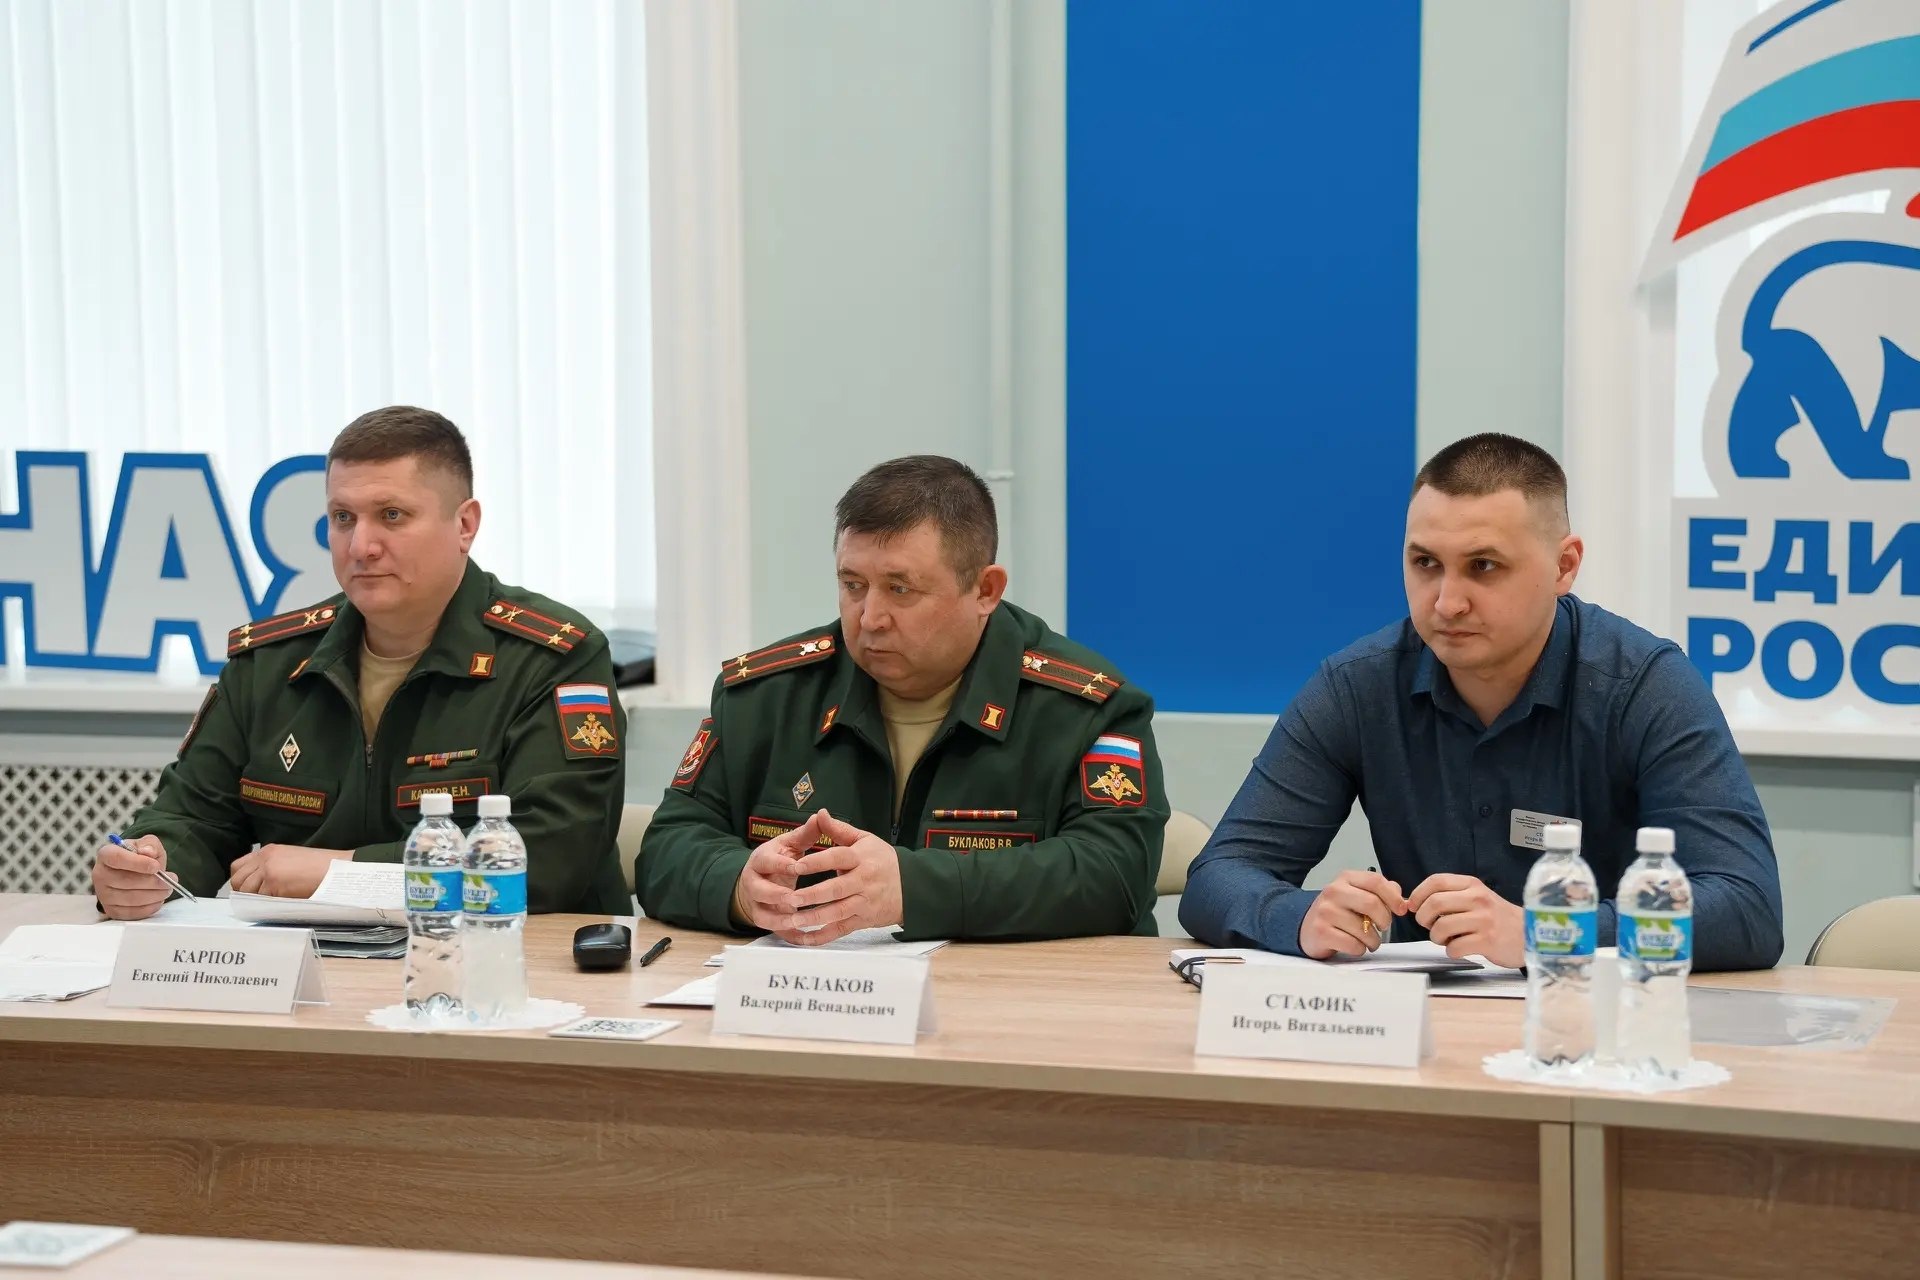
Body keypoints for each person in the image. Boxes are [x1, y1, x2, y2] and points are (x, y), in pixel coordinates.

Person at [1179, 433, 1783, 971]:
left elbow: (1746, 909)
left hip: (1598, 1026)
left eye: (1484, 566)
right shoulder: (1357, 685)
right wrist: (1300, 916)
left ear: (1564, 565)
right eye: (1425, 563)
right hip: (1418, 1026)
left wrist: (1546, 931)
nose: (1447, 602)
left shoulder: (1646, 686)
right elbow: (1216, 878)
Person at [91, 406, 630, 919]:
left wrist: (342, 874)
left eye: (392, 516)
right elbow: (191, 817)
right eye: (343, 518)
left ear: (465, 525)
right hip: (314, 962)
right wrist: (147, 866)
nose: (361, 546)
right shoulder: (270, 665)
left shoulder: (552, 658)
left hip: (506, 960)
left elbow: (550, 857)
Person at [638, 455, 1167, 942]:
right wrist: (737, 885)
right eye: (853, 585)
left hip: (1013, 999)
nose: (870, 618)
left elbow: (1115, 874)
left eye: (900, 589)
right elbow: (668, 846)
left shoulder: (1083, 708)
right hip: (813, 993)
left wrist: (913, 888)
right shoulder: (765, 697)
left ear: (985, 590)